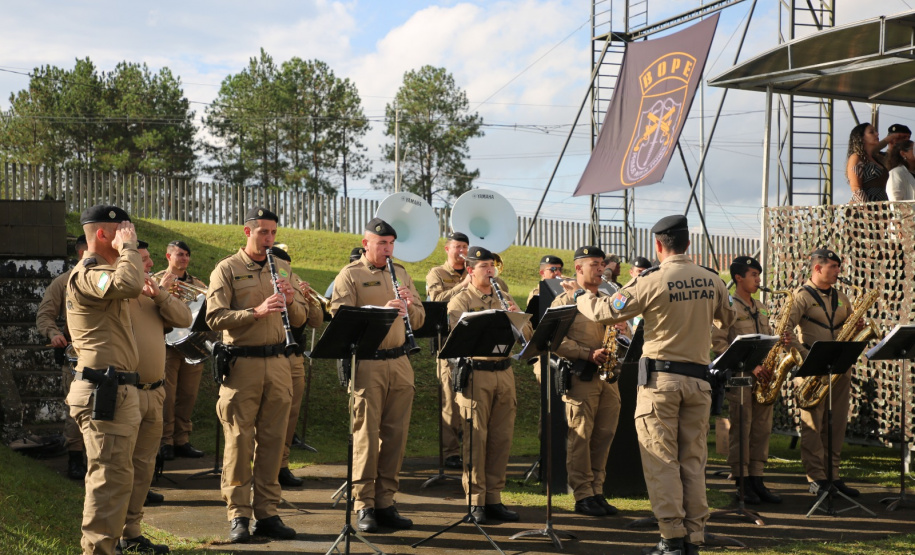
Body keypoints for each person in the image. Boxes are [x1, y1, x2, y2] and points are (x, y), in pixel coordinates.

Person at [564, 215, 735, 555]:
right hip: (699, 384)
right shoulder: (712, 279)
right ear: (688, 243)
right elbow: (725, 320)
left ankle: (671, 538)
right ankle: (694, 538)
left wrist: (582, 294)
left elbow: (603, 312)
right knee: (693, 461)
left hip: (662, 384)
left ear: (659, 246)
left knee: (662, 461)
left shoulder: (650, 280)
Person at [205, 207, 306, 543]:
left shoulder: (283, 267)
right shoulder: (227, 269)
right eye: (263, 232)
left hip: (278, 363)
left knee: (274, 443)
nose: (269, 239)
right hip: (242, 366)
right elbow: (215, 317)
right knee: (238, 442)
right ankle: (238, 515)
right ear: (246, 232)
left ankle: (267, 513)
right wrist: (256, 312)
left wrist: (291, 301)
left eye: (273, 233)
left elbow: (304, 316)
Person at [329, 218, 426, 533]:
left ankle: (386, 502)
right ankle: (363, 503)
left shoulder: (400, 273)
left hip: (400, 361)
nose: (388, 249)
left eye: (391, 243)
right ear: (366, 242)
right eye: (382, 243)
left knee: (395, 437)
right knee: (367, 437)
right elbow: (340, 319)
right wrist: (382, 312)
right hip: (368, 362)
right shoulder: (351, 276)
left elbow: (421, 319)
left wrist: (410, 306)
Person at [65, 205, 145, 555]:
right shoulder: (89, 273)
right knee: (108, 481)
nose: (132, 236)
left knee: (117, 478)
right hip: (103, 391)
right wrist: (128, 249)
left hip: (116, 391)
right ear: (103, 234)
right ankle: (97, 551)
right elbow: (129, 283)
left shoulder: (105, 275)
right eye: (124, 230)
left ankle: (106, 547)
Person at [448, 246, 533, 525]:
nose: (490, 270)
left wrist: (517, 317)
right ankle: (476, 501)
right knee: (476, 439)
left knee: (501, 438)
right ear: (470, 270)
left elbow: (528, 338)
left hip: (504, 372)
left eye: (492, 265)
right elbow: (456, 339)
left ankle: (494, 498)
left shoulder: (504, 296)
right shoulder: (460, 301)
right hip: (476, 374)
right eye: (483, 266)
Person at [121, 240, 192, 554]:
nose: (150, 266)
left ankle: (131, 532)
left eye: (149, 260)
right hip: (125, 392)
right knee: (118, 469)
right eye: (144, 260)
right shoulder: (117, 294)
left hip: (153, 391)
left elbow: (184, 319)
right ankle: (109, 537)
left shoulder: (153, 295)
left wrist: (160, 293)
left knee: (143, 467)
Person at [785, 248, 863, 498]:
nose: (838, 272)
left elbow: (851, 325)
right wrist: (808, 357)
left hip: (839, 369)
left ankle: (833, 475)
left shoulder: (842, 297)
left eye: (838, 267)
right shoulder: (800, 297)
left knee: (837, 423)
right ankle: (817, 477)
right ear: (818, 268)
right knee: (812, 425)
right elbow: (784, 331)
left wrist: (858, 326)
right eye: (833, 267)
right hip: (811, 371)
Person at [550, 246, 621, 518]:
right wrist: (586, 353)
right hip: (581, 377)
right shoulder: (564, 301)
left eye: (603, 263)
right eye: (594, 263)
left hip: (608, 378)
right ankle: (582, 495)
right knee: (580, 437)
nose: (601, 268)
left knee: (604, 436)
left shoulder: (605, 299)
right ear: (578, 268)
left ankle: (597, 491)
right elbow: (555, 341)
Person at [712, 256, 784, 505]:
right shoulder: (728, 306)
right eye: (753, 274)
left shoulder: (761, 306)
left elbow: (766, 339)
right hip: (741, 376)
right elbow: (718, 343)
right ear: (738, 278)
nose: (758, 279)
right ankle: (742, 481)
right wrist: (749, 365)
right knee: (742, 428)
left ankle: (757, 478)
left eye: (759, 274)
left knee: (762, 429)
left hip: (763, 377)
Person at [270, 247, 324, 488]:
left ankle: (282, 465)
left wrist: (307, 298)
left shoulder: (294, 284)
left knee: (291, 414)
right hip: (271, 355)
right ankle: (263, 466)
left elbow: (315, 321)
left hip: (294, 356)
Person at [36, 233, 88, 480]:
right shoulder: (64, 282)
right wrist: (54, 333)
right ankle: (75, 459)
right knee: (76, 412)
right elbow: (44, 314)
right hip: (76, 358)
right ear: (82, 252)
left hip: (111, 357)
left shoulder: (107, 280)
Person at [154, 240, 207, 461]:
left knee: (188, 394)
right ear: (168, 257)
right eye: (179, 254)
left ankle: (182, 439)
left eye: (186, 254)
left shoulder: (197, 283)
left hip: (191, 345)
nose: (184, 258)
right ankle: (165, 441)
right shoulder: (157, 280)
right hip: (166, 345)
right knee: (167, 395)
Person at [425, 231, 472, 470]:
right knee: (450, 403)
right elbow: (435, 299)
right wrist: (464, 285)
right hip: (447, 345)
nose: (462, 251)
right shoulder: (437, 273)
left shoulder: (473, 271)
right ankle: (451, 452)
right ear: (447, 249)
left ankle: (469, 449)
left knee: (471, 401)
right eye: (458, 247)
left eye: (465, 246)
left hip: (473, 345)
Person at [846, 122, 897, 203]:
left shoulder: (875, 158)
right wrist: (867, 209)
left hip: (880, 205)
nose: (877, 134)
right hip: (864, 207)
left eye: (875, 131)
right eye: (871, 132)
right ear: (861, 137)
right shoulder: (856, 158)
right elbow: (856, 188)